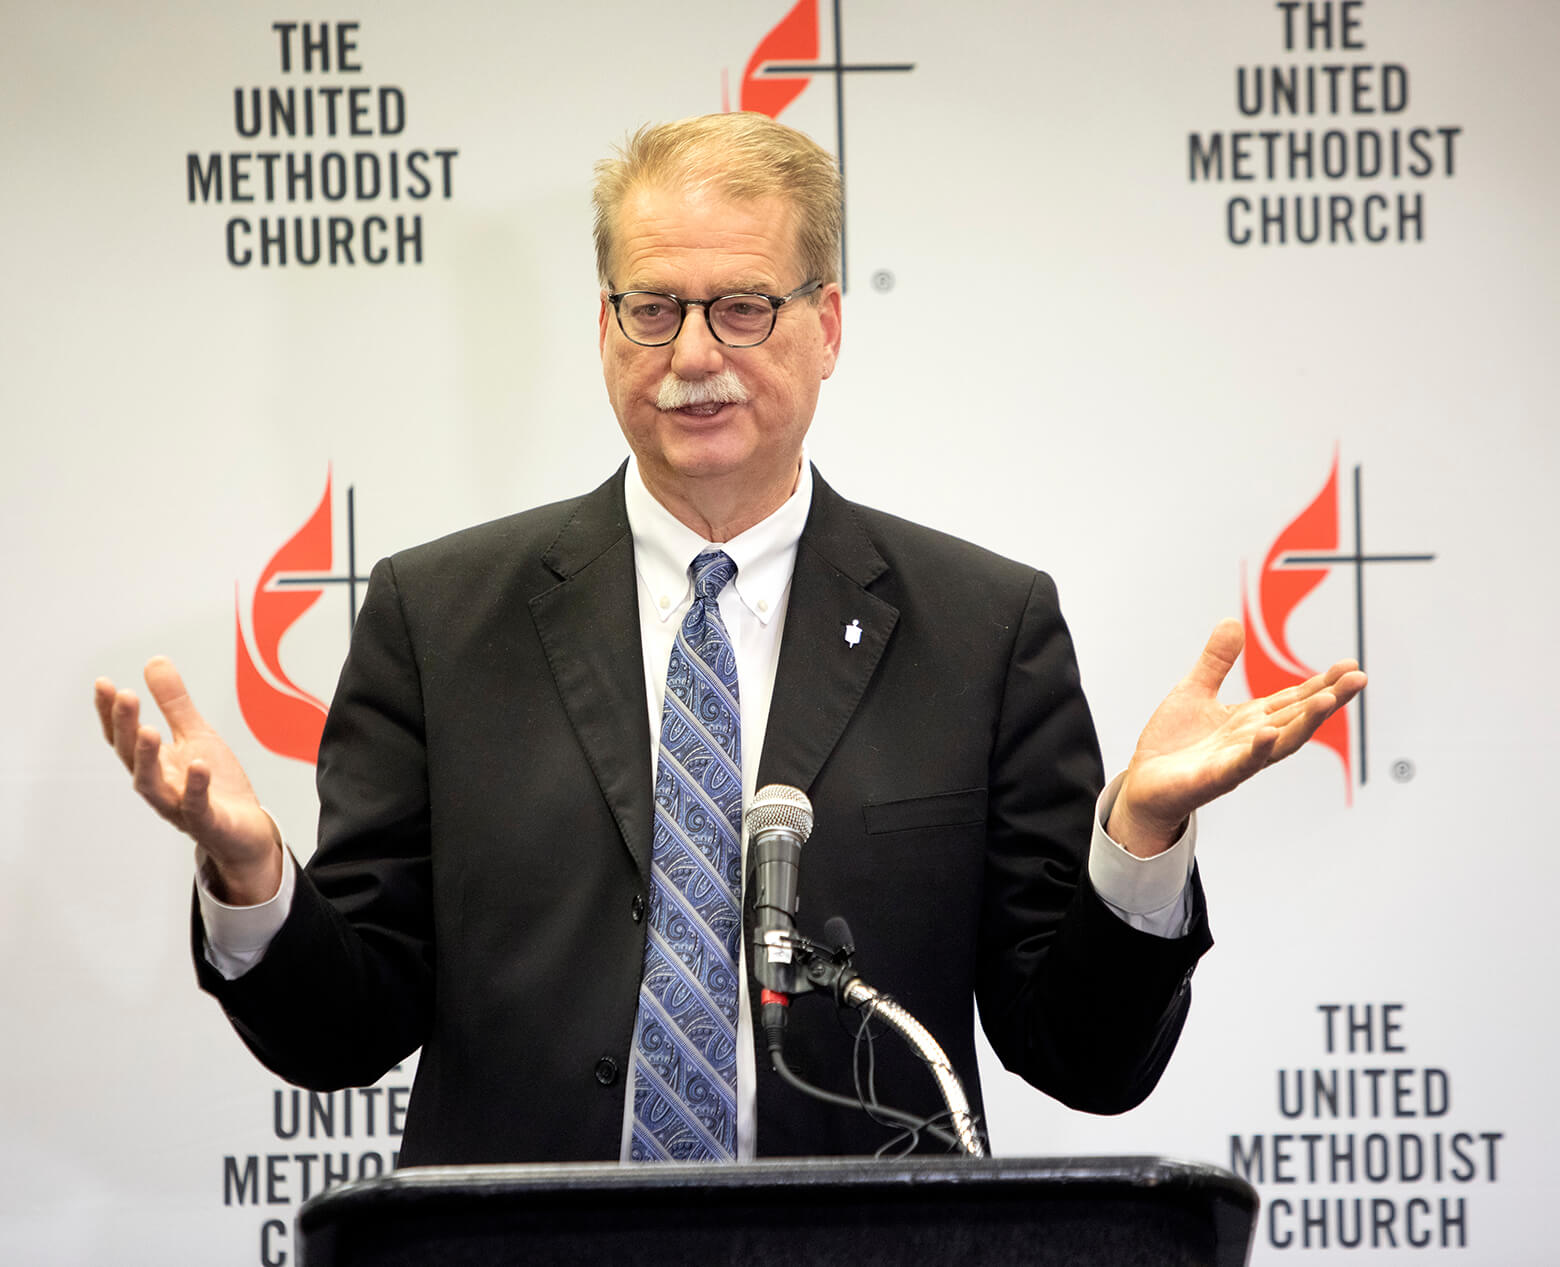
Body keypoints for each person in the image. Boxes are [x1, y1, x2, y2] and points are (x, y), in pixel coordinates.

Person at [94, 113, 1363, 1165]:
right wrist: (255, 882)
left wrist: (1138, 844)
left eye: (744, 307)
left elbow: (1080, 1058)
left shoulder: (984, 627)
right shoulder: (440, 617)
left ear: (828, 327)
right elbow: (346, 1031)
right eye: (654, 308)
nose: (694, 355)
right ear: (604, 330)